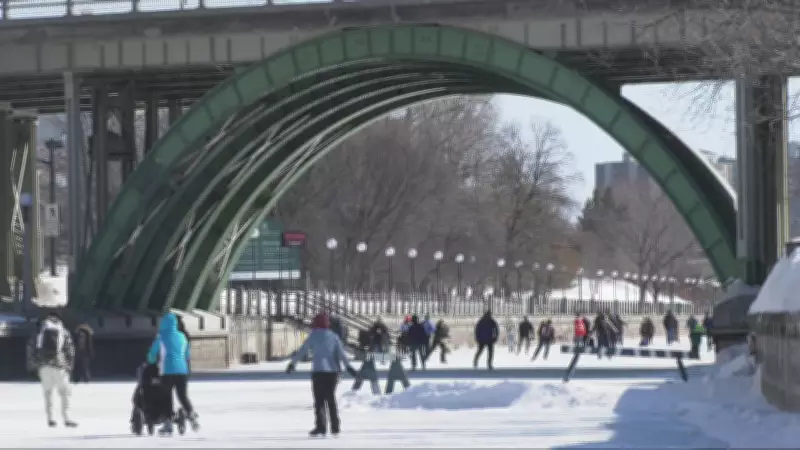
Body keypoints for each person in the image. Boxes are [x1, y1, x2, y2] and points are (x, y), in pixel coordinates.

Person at [286, 313, 358, 437]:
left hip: (318, 372)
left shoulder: (313, 335)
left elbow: (303, 350)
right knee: (331, 399)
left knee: (319, 400)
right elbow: (342, 354)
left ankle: (321, 427)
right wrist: (349, 367)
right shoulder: (334, 336)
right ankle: (335, 427)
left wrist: (293, 364)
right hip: (332, 373)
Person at [146, 313, 198, 435]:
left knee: (166, 396)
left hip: (167, 371)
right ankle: (191, 414)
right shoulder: (182, 337)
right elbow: (187, 355)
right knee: (182, 396)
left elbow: (152, 355)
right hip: (182, 370)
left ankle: (168, 422)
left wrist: (151, 360)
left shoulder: (161, 337)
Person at [26, 313, 77, 428]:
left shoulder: (39, 331)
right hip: (59, 365)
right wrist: (69, 365)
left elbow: (30, 347)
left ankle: (51, 418)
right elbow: (70, 349)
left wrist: (34, 363)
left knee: (48, 393)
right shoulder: (63, 331)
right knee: (64, 392)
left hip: (43, 366)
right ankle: (66, 417)